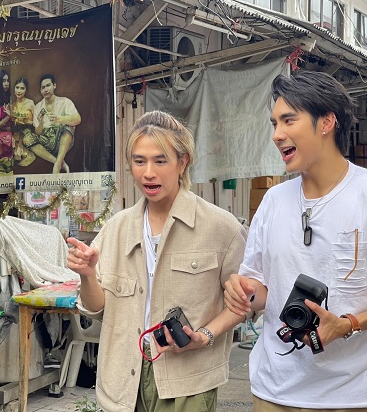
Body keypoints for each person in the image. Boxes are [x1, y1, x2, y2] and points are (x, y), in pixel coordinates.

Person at [223, 71, 367, 411]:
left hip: (352, 396)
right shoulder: (273, 201)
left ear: (326, 122)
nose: (277, 135)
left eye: (288, 121)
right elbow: (261, 291)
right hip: (273, 392)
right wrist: (243, 291)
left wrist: (349, 324)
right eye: (274, 124)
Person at [66, 110, 247, 412]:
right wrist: (87, 273)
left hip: (187, 381)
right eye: (139, 161)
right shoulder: (116, 229)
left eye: (160, 161)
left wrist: (205, 336)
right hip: (123, 379)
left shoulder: (221, 228)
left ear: (182, 162)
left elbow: (245, 304)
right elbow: (97, 309)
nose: (148, 173)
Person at [30, 74, 81, 173]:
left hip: (62, 139)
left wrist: (59, 119)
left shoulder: (65, 101)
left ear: (54, 85)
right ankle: (59, 162)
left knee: (68, 127)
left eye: (48, 85)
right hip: (46, 140)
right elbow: (38, 133)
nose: (46, 90)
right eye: (43, 87)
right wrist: (40, 123)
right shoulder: (38, 107)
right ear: (40, 90)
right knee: (27, 138)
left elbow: (78, 119)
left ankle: (57, 166)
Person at [10, 76, 36, 166]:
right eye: (17, 87)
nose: (19, 91)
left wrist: (27, 122)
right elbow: (11, 122)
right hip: (16, 132)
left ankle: (27, 153)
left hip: (28, 132)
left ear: (26, 90)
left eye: (22, 88)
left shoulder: (30, 103)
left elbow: (37, 122)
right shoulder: (12, 105)